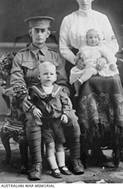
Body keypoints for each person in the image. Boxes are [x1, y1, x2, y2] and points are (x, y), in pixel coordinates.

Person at [59, 0, 123, 163]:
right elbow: (63, 47)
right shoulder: (69, 20)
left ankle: (113, 138)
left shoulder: (101, 18)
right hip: (79, 64)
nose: (84, 0)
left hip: (102, 63)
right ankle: (86, 144)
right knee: (84, 87)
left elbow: (113, 43)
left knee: (114, 82)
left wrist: (103, 58)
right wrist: (76, 59)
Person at [10, 16, 84, 180]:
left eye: (43, 31)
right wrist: (25, 101)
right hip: (32, 102)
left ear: (48, 33)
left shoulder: (55, 57)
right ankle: (37, 164)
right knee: (34, 120)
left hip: (56, 102)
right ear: (31, 33)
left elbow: (64, 84)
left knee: (72, 118)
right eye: (36, 31)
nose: (39, 34)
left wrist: (63, 104)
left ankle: (75, 159)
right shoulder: (20, 57)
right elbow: (16, 83)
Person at [28, 61, 74, 178]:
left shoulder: (59, 90)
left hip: (57, 122)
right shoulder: (35, 90)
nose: (48, 76)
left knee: (60, 144)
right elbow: (29, 102)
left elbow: (65, 103)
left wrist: (65, 113)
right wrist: (33, 108)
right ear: (39, 76)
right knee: (50, 145)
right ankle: (54, 168)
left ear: (55, 76)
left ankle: (62, 165)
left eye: (51, 74)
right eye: (45, 74)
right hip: (46, 123)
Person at [70, 28, 119, 96]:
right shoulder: (84, 48)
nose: (93, 39)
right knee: (77, 72)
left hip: (97, 67)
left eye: (95, 37)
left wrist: (112, 64)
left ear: (99, 38)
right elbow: (79, 55)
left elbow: (109, 56)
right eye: (90, 37)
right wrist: (77, 58)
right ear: (86, 39)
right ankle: (78, 91)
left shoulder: (100, 48)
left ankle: (79, 81)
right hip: (85, 67)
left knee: (90, 70)